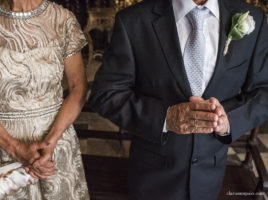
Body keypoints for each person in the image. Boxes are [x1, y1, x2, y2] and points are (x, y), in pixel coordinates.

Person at [88, 0, 268, 199]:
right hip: (151, 177)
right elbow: (105, 93)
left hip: (210, 176)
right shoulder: (133, 20)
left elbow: (264, 91)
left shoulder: (254, 19)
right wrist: (165, 118)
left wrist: (229, 122)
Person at [0, 0, 89, 199]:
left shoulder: (63, 19)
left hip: (54, 147)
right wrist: (15, 149)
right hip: (1, 147)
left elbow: (79, 88)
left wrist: (50, 143)